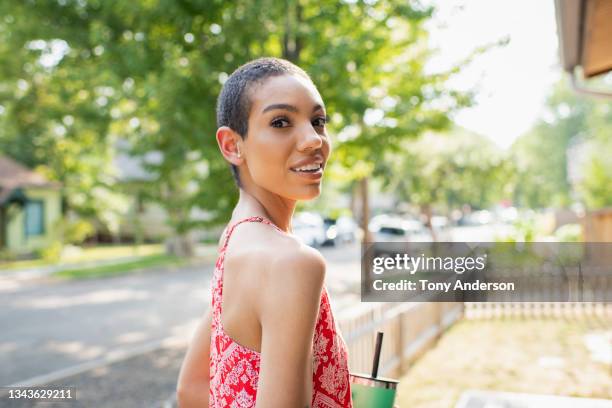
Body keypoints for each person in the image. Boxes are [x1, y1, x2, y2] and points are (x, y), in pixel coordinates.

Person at [176, 57, 352, 407]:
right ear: (231, 145)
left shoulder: (237, 237)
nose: (312, 140)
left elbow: (192, 389)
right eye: (281, 121)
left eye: (318, 121)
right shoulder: (291, 262)